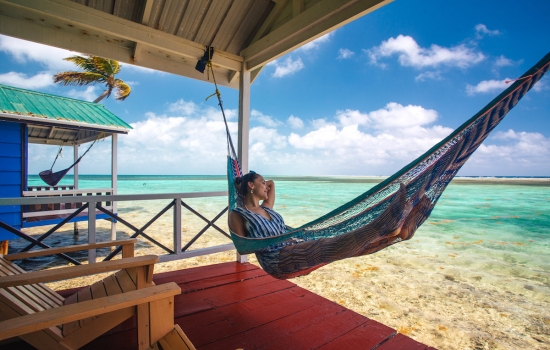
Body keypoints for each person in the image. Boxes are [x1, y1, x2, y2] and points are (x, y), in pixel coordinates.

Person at [229, 171, 287, 238]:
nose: (268, 188)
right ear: (251, 185)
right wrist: (246, 186)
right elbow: (242, 245)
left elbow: (271, 183)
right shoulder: (237, 213)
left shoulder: (266, 208)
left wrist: (244, 186)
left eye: (265, 184)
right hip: (273, 248)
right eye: (263, 183)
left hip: (290, 243)